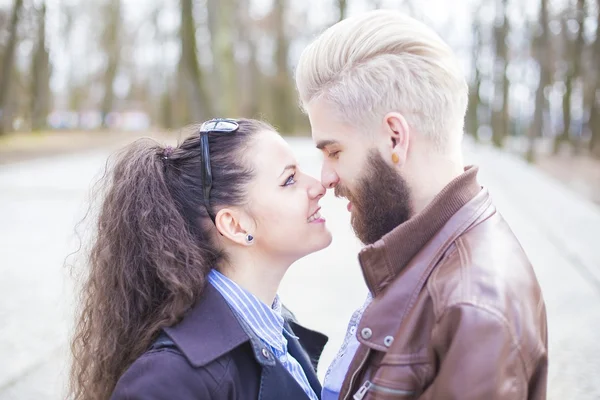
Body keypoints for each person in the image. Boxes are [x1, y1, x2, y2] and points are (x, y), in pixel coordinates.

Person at [295, 10, 548, 400]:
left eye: (334, 151)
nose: (325, 178)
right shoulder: (421, 252)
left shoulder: (472, 310)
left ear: (395, 138)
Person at [69, 118, 332, 400]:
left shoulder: (275, 330)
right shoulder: (167, 381)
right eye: (289, 180)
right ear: (236, 226)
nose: (319, 186)